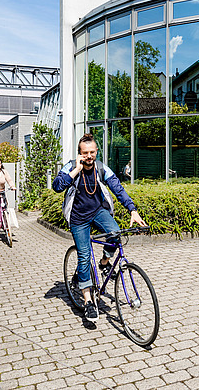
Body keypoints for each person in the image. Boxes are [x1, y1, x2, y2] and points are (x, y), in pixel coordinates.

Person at [52, 133, 146, 322]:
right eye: (85, 153)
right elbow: (57, 186)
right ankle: (88, 302)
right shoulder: (71, 167)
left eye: (92, 152)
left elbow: (117, 188)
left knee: (115, 233)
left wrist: (132, 210)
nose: (89, 156)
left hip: (98, 212)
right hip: (78, 218)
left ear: (96, 152)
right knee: (84, 256)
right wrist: (75, 171)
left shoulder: (102, 168)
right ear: (79, 154)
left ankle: (104, 263)